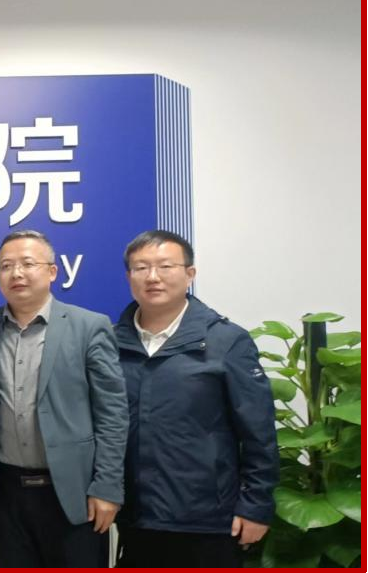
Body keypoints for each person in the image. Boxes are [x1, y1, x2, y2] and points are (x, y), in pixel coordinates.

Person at [112, 230, 278, 567]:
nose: (153, 277)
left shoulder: (226, 341)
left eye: (165, 266)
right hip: (136, 517)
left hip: (208, 519)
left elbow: (258, 431)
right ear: (129, 277)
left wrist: (256, 506)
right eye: (141, 268)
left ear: (190, 273)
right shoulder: (110, 343)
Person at [0, 230, 128, 567]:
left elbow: (112, 415)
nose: (16, 273)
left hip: (74, 491)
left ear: (52, 271)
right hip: (6, 494)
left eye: (28, 263)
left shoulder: (89, 326)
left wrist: (107, 487)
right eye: (6, 266)